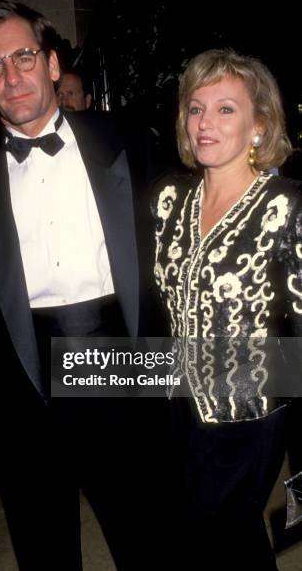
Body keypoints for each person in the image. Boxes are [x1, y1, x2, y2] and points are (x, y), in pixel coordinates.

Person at [0, 0, 164, 570]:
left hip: (119, 357)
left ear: (53, 64)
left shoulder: (125, 140)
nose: (12, 76)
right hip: (19, 375)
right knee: (44, 545)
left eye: (24, 57)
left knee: (147, 536)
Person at [153, 48, 301, 570]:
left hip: (250, 409)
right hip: (177, 404)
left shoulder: (287, 205)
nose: (205, 123)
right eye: (196, 108)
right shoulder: (169, 201)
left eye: (225, 109)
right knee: (229, 543)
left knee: (209, 531)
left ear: (259, 125)